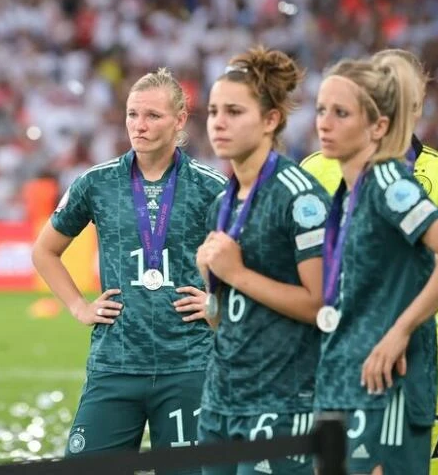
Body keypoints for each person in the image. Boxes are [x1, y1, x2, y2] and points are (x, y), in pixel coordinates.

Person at [31, 68, 226, 469]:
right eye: (132, 114)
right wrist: (79, 307)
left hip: (188, 365)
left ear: (180, 120)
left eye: (153, 116)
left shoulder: (213, 187)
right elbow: (45, 252)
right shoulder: (96, 183)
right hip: (115, 363)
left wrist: (217, 304)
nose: (140, 125)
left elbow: (251, 261)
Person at [301, 49, 438, 475]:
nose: (324, 122)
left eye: (340, 112)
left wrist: (400, 329)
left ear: (376, 120)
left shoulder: (387, 183)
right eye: (322, 110)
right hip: (344, 367)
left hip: (389, 374)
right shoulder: (347, 181)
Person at [195, 46, 330, 475]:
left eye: (234, 111)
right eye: (214, 110)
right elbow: (223, 317)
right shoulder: (222, 201)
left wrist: (236, 272)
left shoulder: (300, 196)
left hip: (283, 403)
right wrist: (212, 284)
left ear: (270, 119)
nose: (218, 121)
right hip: (220, 401)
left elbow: (321, 307)